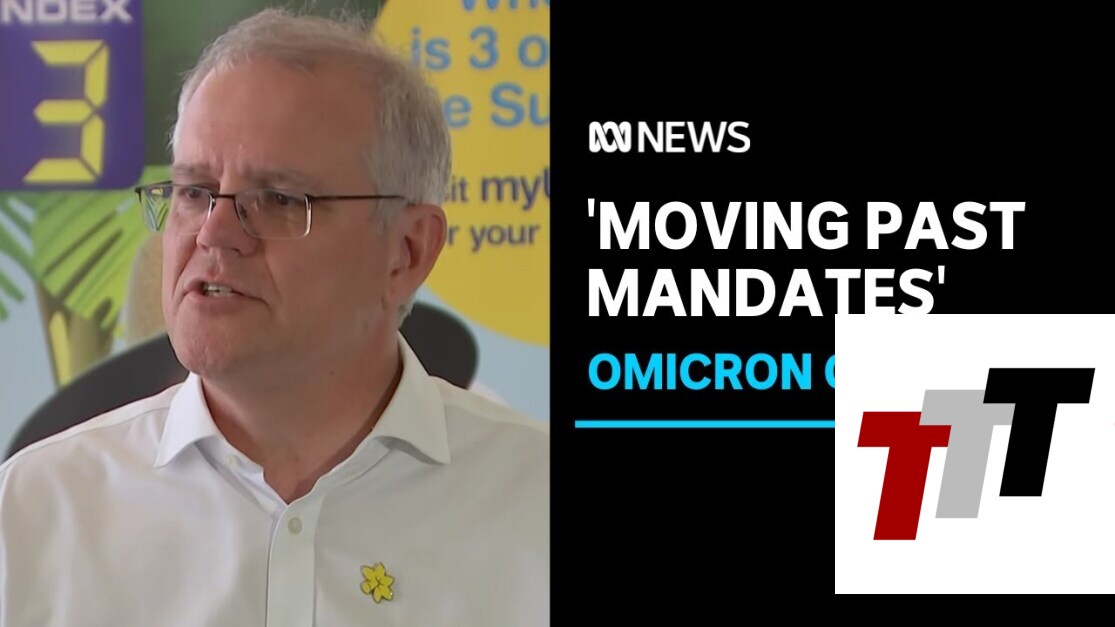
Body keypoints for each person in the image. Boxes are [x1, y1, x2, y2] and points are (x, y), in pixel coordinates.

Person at [0, 7, 549, 626]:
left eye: (280, 199)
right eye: (194, 192)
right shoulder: (33, 514)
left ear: (407, 251)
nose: (214, 232)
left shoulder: (534, 503)